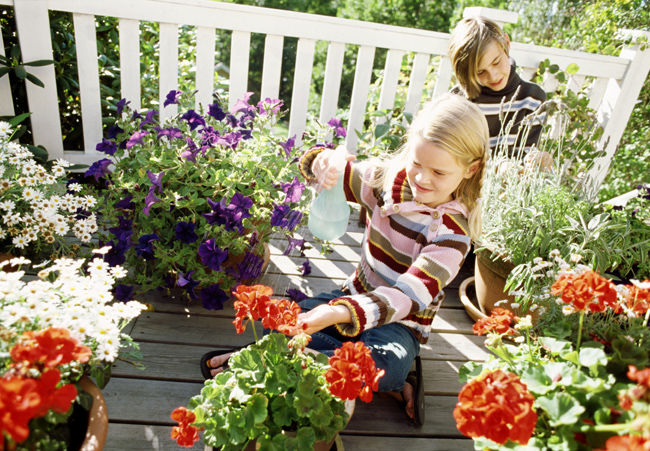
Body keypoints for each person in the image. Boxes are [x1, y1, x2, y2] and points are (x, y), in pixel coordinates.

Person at [203, 93, 489, 426]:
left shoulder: (452, 235)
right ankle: (347, 370)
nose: (422, 179)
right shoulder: (388, 181)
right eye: (417, 163)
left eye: (439, 172)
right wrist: (323, 164)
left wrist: (334, 314)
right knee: (289, 319)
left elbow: (407, 297)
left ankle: (280, 365)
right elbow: (332, 174)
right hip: (353, 297)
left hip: (399, 326)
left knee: (388, 362)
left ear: (471, 169)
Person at [448, 16, 548, 165]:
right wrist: (496, 168)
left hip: (510, 184)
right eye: (480, 72)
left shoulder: (533, 98)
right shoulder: (459, 101)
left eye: (496, 62)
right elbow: (455, 159)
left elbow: (525, 154)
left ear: (506, 44)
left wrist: (535, 161)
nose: (493, 76)